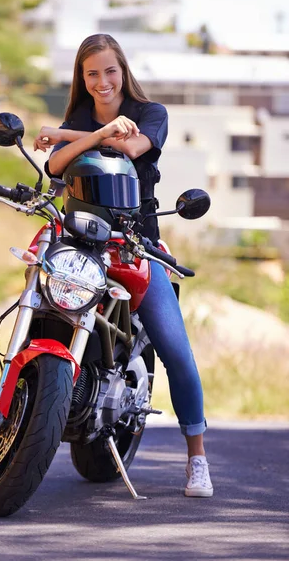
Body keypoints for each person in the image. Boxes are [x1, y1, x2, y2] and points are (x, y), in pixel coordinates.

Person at [33, 33, 213, 498]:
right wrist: (89, 134)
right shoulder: (80, 117)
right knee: (38, 301)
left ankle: (197, 458)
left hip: (135, 243)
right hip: (79, 238)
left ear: (122, 70)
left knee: (177, 353)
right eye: (91, 74)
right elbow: (55, 169)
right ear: (82, 78)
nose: (102, 82)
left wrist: (70, 137)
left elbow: (129, 151)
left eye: (109, 71)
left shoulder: (151, 114)